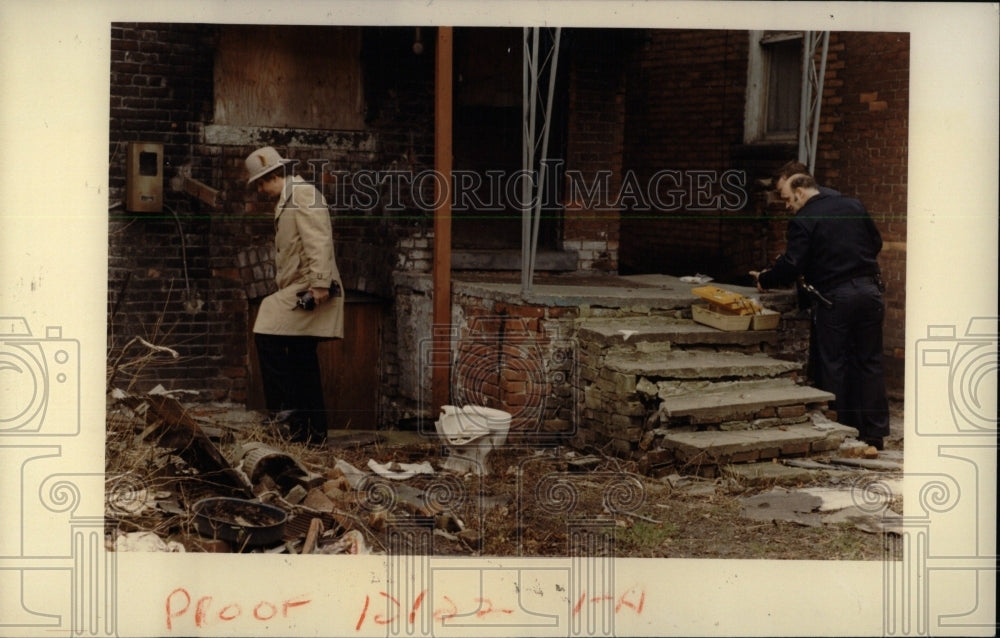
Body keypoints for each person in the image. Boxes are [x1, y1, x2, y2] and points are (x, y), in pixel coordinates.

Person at [749, 171, 890, 449]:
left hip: (835, 297)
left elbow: (792, 264)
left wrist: (765, 278)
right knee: (870, 362)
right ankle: (874, 433)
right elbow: (876, 244)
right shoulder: (853, 205)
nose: (787, 206)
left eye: (788, 199)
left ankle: (841, 431)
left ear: (800, 192)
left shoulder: (803, 220)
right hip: (870, 291)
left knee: (833, 363)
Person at [245, 146, 344, 446]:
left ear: (274, 175)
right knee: (302, 359)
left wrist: (319, 285)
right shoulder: (288, 198)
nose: (260, 190)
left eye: (261, 183)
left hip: (312, 286)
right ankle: (312, 435)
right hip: (300, 285)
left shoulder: (302, 194)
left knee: (266, 328)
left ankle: (284, 413)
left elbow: (319, 239)